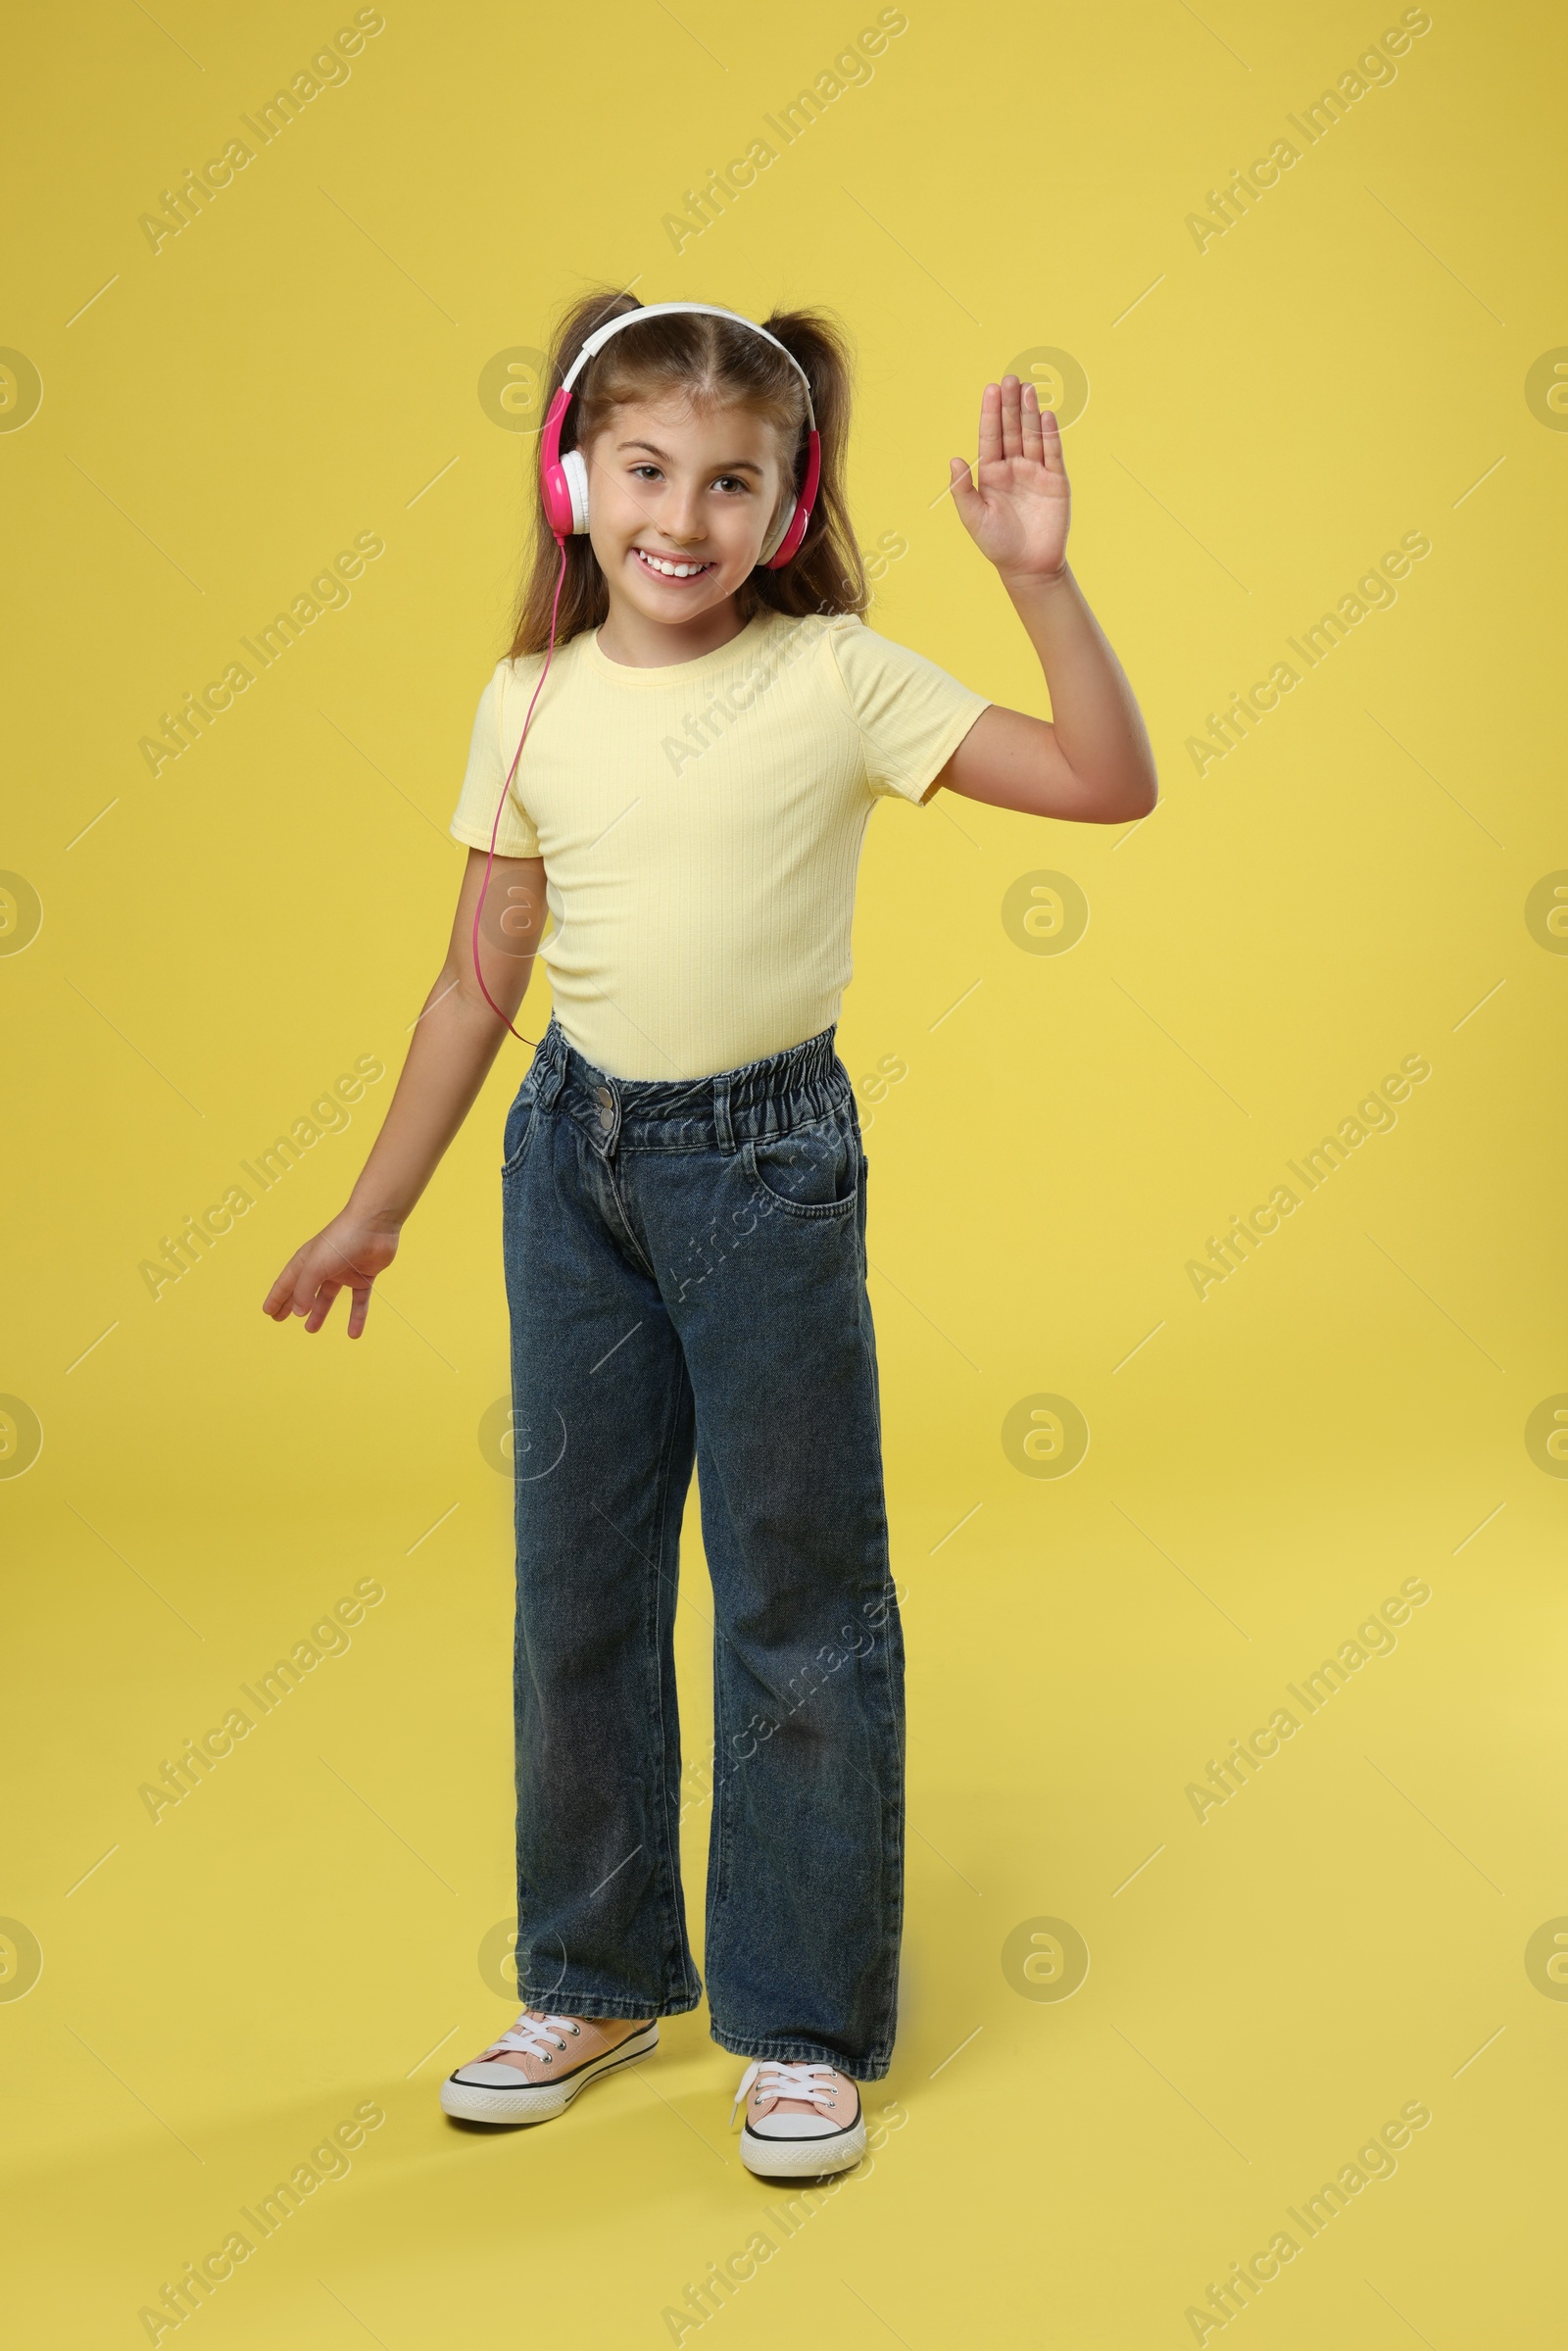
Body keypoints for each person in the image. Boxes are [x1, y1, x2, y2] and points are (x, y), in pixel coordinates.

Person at [263, 291, 1156, 2179]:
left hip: (762, 1172)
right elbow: (472, 986)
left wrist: (1043, 583)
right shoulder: (528, 701)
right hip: (567, 1171)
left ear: (788, 497)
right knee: (578, 1585)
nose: (685, 516)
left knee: (798, 1596)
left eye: (733, 481)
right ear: (572, 478)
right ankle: (589, 1973)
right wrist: (372, 1208)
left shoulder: (836, 678)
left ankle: (800, 2019)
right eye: (648, 470)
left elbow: (1104, 782)